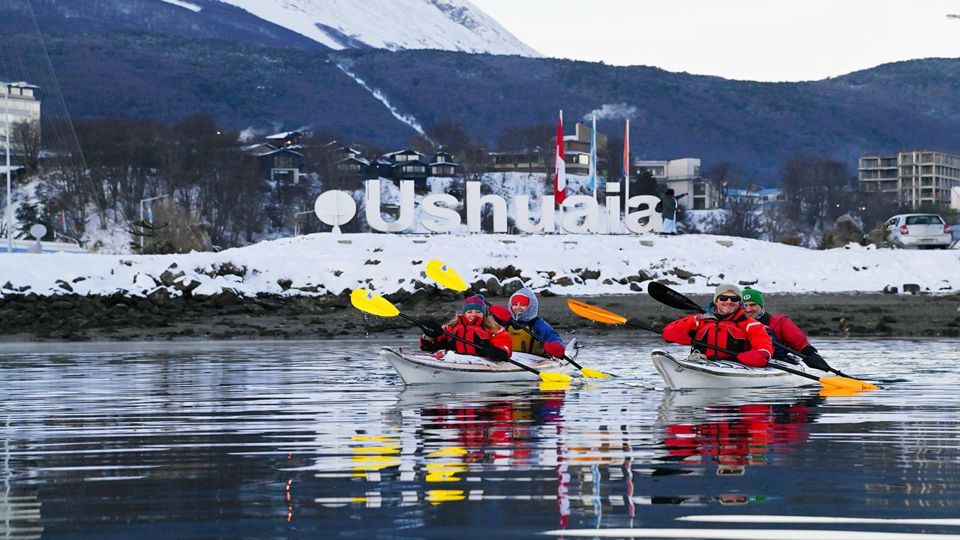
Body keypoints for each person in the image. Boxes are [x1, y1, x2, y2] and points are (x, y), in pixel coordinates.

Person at [661, 284, 773, 367]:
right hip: (701, 362)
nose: (729, 301)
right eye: (723, 298)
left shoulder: (751, 325)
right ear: (716, 301)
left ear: (739, 302)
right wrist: (677, 335)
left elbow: (765, 346)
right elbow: (670, 329)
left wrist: (760, 355)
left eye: (734, 299)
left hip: (737, 367)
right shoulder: (700, 320)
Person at [741, 288, 830, 371]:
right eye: (745, 306)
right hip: (744, 360)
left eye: (753, 305)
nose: (748, 309)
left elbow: (799, 343)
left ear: (761, 306)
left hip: (775, 360)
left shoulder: (780, 322)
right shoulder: (733, 324)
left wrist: (811, 355)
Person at [419, 294, 513, 361]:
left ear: (484, 314)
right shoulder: (451, 327)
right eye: (469, 312)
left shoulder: (494, 329)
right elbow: (427, 346)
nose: (473, 314)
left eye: (477, 312)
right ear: (464, 313)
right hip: (453, 360)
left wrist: (500, 352)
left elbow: (505, 346)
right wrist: (428, 335)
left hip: (481, 363)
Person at [488, 287, 566, 358]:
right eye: (515, 304)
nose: (518, 308)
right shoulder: (506, 321)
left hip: (535, 360)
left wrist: (557, 345)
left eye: (523, 305)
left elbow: (551, 335)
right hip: (511, 358)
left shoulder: (537, 323)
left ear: (530, 306)